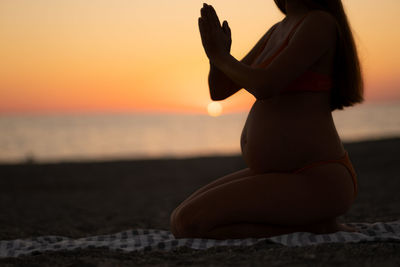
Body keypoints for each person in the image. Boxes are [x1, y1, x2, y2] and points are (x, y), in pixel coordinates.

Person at [170, 0, 364, 239]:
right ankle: (313, 225)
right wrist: (216, 56)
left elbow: (266, 85)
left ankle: (317, 226)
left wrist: (221, 56)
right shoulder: (277, 30)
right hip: (280, 174)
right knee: (180, 219)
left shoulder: (318, 22)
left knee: (191, 223)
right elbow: (219, 90)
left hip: (316, 178)